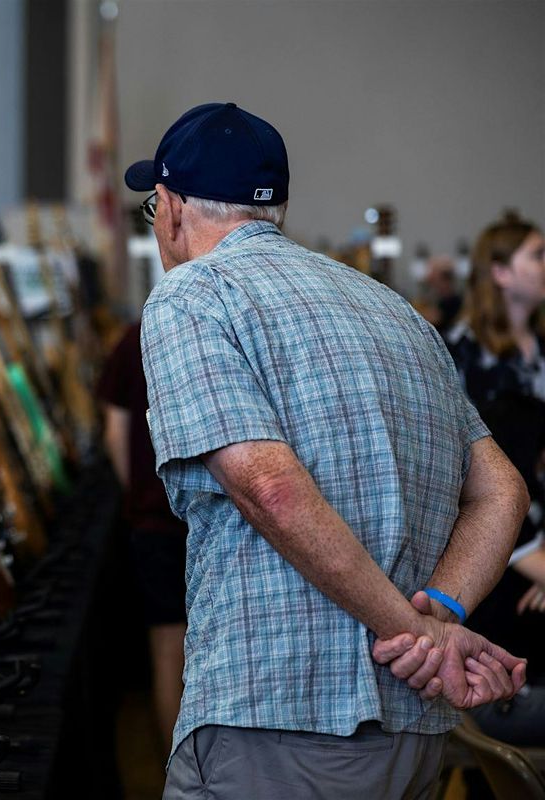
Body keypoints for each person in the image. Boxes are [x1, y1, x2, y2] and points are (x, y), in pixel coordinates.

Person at [126, 102, 529, 799]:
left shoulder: (192, 296)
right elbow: (503, 491)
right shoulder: (393, 308)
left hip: (277, 717)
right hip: (414, 729)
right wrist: (437, 620)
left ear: (168, 205)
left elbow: (269, 487)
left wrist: (412, 633)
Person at [444, 211, 545, 745]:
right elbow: (472, 484)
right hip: (495, 552)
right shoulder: (460, 355)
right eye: (538, 255)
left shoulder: (542, 350)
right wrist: (535, 564)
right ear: (501, 272)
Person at [96, 322, 187, 754]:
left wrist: (136, 497)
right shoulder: (231, 323)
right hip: (226, 517)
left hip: (156, 521)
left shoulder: (136, 334)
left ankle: (177, 770)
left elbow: (114, 431)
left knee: (169, 649)